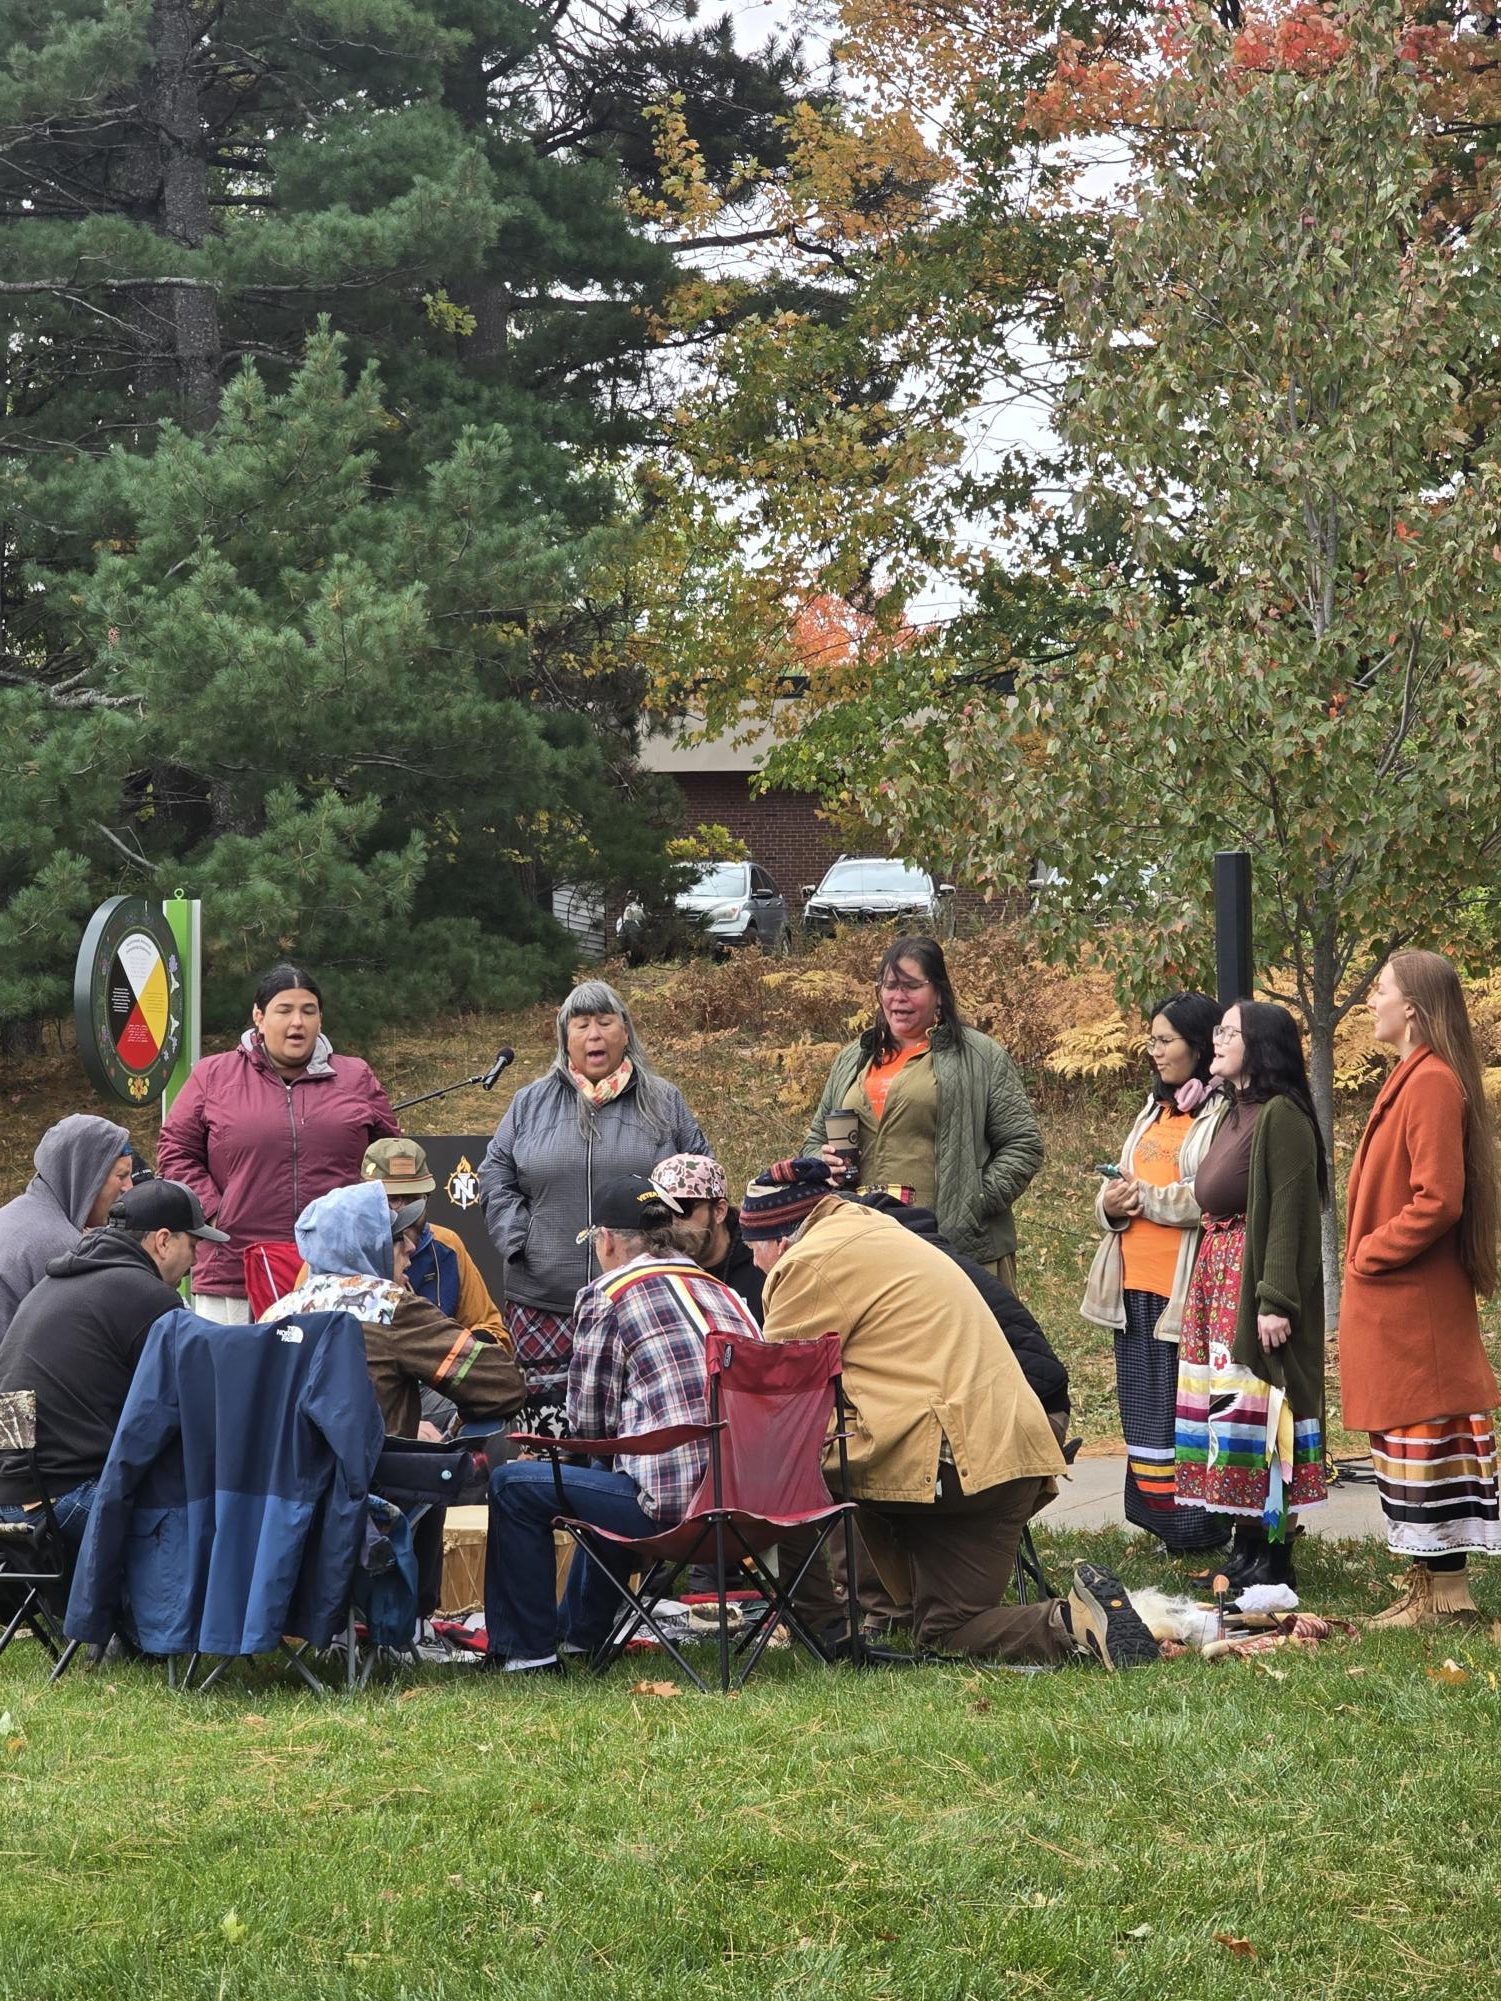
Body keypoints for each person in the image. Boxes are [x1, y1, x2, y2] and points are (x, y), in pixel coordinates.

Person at [745, 1156, 1160, 1670]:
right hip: (1011, 1459)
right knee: (949, 1630)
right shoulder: (879, 1230)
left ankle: (829, 1636)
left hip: (947, 1464)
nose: (756, 1265)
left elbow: (780, 1402)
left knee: (785, 1466)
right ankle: (1074, 1623)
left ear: (780, 1241)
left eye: (754, 1250)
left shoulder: (808, 1263)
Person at [482, 1175, 762, 1675]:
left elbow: (590, 1425)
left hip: (679, 1515)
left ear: (606, 1240)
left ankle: (529, 1653)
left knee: (514, 1485)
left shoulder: (608, 1293)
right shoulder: (725, 1292)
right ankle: (581, 1633)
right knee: (613, 1473)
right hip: (757, 1508)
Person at [1339, 951, 1500, 1626]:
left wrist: (1369, 1251)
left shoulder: (1430, 1081)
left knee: (1425, 1444)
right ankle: (1428, 1591)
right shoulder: (1413, 1076)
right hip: (1399, 1309)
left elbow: (1438, 1200)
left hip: (1413, 1307)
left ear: (1411, 1006)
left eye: (1379, 990)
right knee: (1407, 1446)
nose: (1369, 1001)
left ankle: (1448, 1597)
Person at [477, 982, 709, 1386]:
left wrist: (674, 1245)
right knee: (552, 1436)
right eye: (581, 1025)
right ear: (565, 1038)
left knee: (637, 1420)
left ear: (626, 1032)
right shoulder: (529, 1103)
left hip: (644, 1293)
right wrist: (520, 1239)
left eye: (605, 1022)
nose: (594, 1034)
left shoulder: (664, 1101)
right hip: (542, 1301)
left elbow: (699, 1173)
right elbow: (495, 1172)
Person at [1172, 1002, 1328, 1585]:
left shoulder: (1282, 1116)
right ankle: (1243, 1546)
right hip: (1218, 1274)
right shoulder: (1235, 1109)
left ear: (1259, 1046)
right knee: (1230, 1409)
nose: (1216, 1038)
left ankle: (1275, 1555)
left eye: (1229, 1032)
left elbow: (1290, 1213)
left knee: (1265, 1410)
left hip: (1254, 1275)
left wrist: (1274, 1300)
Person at [158, 964, 399, 1321]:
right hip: (234, 1273)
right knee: (235, 1377)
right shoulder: (213, 1075)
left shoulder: (356, 1076)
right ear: (259, 1015)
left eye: (308, 1010)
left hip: (338, 1280)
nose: (297, 1023)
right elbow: (175, 1152)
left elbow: (390, 1155)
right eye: (284, 1011)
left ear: (321, 1018)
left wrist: (364, 1224)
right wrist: (215, 1212)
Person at [1080, 991, 1230, 1554]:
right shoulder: (1154, 1110)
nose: (1155, 1051)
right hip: (1131, 1285)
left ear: (1199, 1046)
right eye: (1152, 1039)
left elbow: (1209, 1197)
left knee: (1183, 1413)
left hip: (1183, 1289)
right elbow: (1122, 1182)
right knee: (1143, 1410)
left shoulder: (1221, 1114)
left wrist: (1144, 1198)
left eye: (1165, 1040)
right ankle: (1162, 1522)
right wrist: (1111, 1202)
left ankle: (1200, 1530)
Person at [803, 936, 1042, 1286]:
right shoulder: (854, 1057)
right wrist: (821, 1165)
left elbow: (1023, 1144)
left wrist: (972, 1202)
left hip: (952, 1247)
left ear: (939, 993)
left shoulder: (979, 1056)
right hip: (865, 1241)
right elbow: (814, 1140)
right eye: (889, 986)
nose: (898, 997)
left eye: (911, 986)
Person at [0, 1180, 225, 1551]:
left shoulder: (58, 1283)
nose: (196, 1261)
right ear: (164, 1240)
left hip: (12, 1497)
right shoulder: (148, 1298)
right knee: (206, 1517)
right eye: (194, 1245)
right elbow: (198, 1407)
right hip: (61, 1503)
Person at [266, 1183, 524, 1440]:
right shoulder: (391, 1307)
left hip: (281, 1476)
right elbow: (504, 1384)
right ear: (367, 1247)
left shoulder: (276, 1314)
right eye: (398, 1237)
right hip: (380, 1475)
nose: (411, 1246)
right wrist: (451, 1431)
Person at [0, 1114, 134, 1341]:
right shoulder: (62, 1248)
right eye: (121, 1175)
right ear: (87, 1175)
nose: (128, 1187)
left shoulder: (14, 1214)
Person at [651, 1152, 764, 1323]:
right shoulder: (653, 1267)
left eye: (683, 1208)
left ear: (719, 1211)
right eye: (662, 1210)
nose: (672, 1222)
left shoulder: (762, 1264)